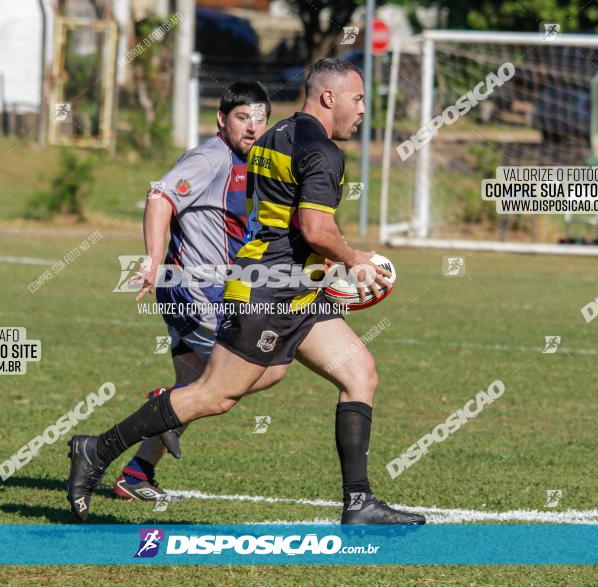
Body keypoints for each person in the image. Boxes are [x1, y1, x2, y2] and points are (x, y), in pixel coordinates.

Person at [68, 58, 425, 525]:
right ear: (328, 97)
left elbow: (284, 221)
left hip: (296, 291)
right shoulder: (325, 154)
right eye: (357, 100)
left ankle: (358, 503)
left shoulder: (274, 137)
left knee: (360, 373)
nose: (362, 111)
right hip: (269, 295)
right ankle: (97, 448)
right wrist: (353, 258)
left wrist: (324, 274)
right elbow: (315, 230)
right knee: (214, 396)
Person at [112, 81, 281, 501]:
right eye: (243, 117)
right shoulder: (211, 157)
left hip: (209, 291)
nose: (253, 128)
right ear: (222, 120)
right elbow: (160, 196)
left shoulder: (247, 164)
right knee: (263, 369)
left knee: (195, 387)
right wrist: (151, 258)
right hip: (194, 291)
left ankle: (136, 473)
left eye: (260, 119)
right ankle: (163, 402)